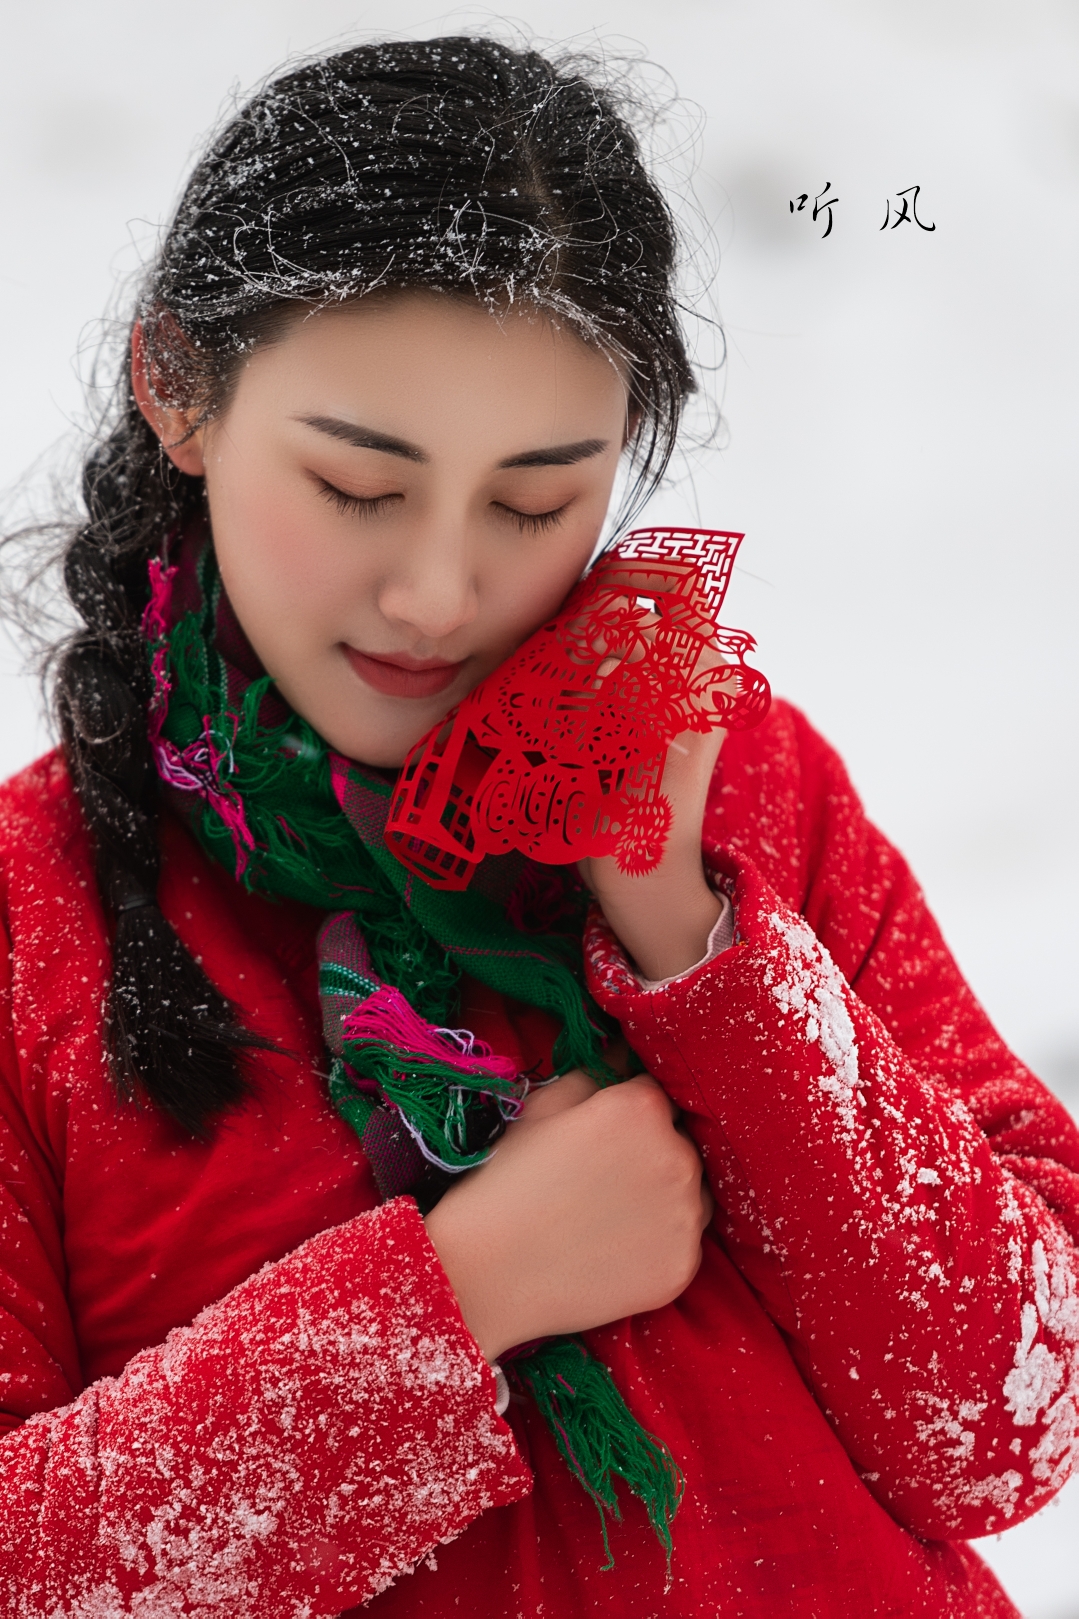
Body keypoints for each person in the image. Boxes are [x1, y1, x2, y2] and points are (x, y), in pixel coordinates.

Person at [1, 36, 1076, 1619]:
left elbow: (1009, 1426)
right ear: (180, 386)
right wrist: (461, 1291)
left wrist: (697, 945)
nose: (439, 596)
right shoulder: (34, 923)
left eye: (531, 504)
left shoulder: (740, 784)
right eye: (359, 488)